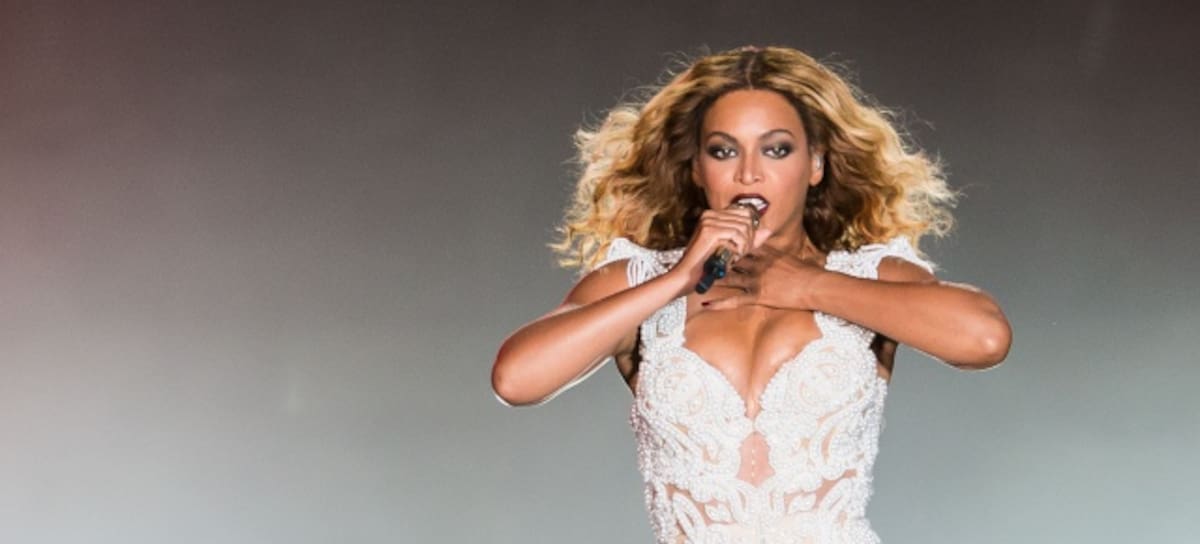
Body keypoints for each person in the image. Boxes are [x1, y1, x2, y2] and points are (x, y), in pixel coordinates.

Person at [491, 45, 1011, 543]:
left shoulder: (866, 277)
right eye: (723, 151)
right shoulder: (639, 282)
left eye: (776, 149)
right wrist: (677, 279)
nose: (748, 172)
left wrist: (807, 284)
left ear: (815, 164)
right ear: (697, 169)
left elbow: (985, 338)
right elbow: (515, 380)